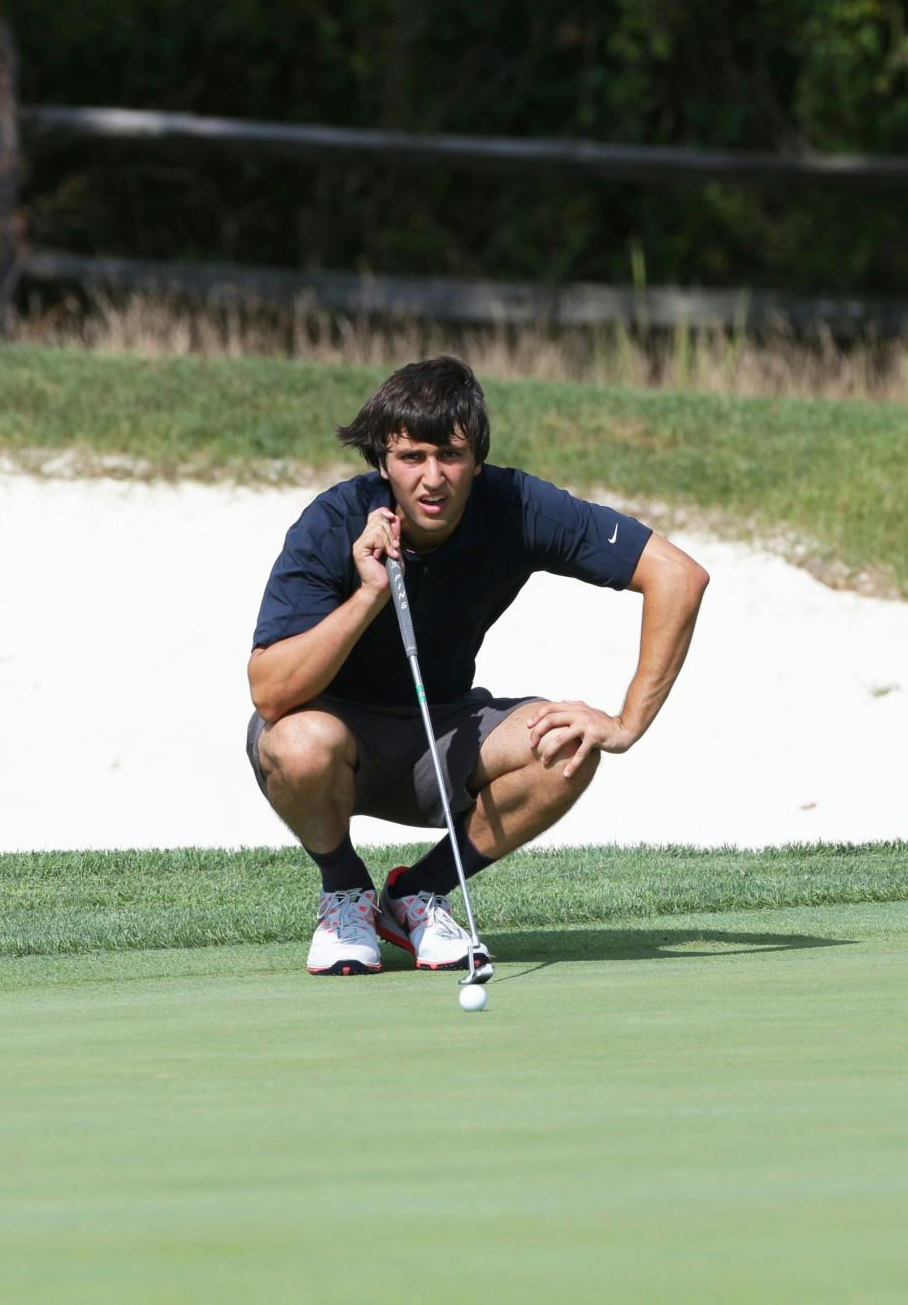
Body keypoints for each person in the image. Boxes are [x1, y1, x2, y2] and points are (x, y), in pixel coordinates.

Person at [245, 355, 711, 975]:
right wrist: (369, 594)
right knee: (299, 740)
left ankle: (416, 894)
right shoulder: (332, 523)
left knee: (567, 744)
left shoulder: (514, 505)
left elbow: (679, 575)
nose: (432, 478)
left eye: (451, 456)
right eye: (412, 457)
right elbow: (270, 693)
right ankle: (345, 893)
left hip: (444, 733)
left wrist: (627, 723)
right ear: (383, 461)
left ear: (478, 458)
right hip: (337, 738)